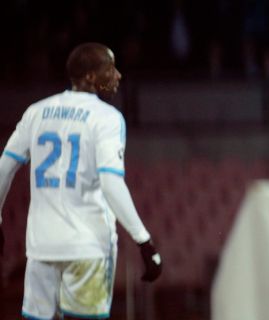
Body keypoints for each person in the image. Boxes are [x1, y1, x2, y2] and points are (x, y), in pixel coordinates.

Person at [0, 42, 162, 320]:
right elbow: (111, 183)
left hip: (41, 247)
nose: (118, 75)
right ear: (90, 76)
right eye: (110, 68)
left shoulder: (36, 111)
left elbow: (4, 166)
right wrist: (143, 240)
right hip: (88, 247)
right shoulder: (107, 118)